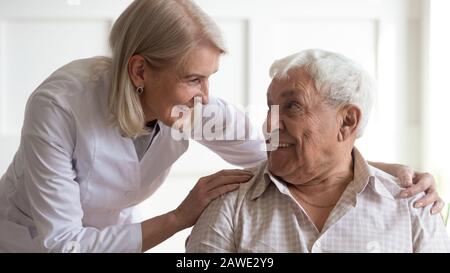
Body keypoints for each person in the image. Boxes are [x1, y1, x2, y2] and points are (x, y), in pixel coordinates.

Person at [0, 0, 443, 253]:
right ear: (140, 72)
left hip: (115, 236)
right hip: (33, 241)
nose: (206, 96)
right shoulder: (57, 107)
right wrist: (178, 217)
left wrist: (387, 172)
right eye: (193, 79)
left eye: (209, 77)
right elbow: (65, 244)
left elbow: (276, 150)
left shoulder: (191, 106)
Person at [186, 49, 450, 253]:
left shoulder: (414, 208)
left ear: (347, 122)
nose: (269, 124)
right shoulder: (229, 206)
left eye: (292, 106)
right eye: (270, 108)